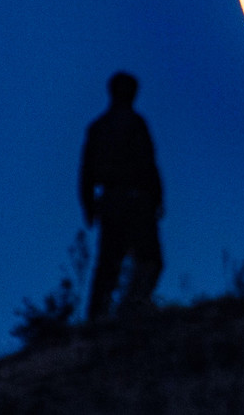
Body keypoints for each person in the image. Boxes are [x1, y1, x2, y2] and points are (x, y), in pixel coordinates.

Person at [78, 72, 164, 320]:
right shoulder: (134, 124)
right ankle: (130, 308)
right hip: (133, 202)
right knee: (149, 259)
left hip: (113, 203)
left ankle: (104, 316)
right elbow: (149, 164)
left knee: (108, 265)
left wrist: (89, 206)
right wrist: (156, 198)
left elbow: (85, 174)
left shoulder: (99, 128)